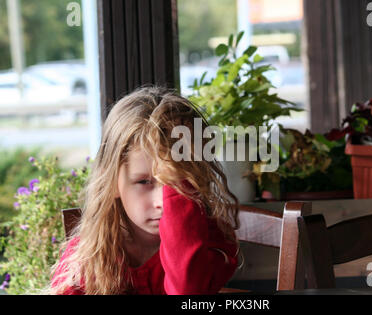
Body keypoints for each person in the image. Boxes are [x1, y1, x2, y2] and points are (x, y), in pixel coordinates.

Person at [49, 86, 240, 295]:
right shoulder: (88, 257)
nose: (162, 201)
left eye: (181, 184)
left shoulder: (212, 243)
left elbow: (187, 291)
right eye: (144, 182)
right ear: (112, 181)